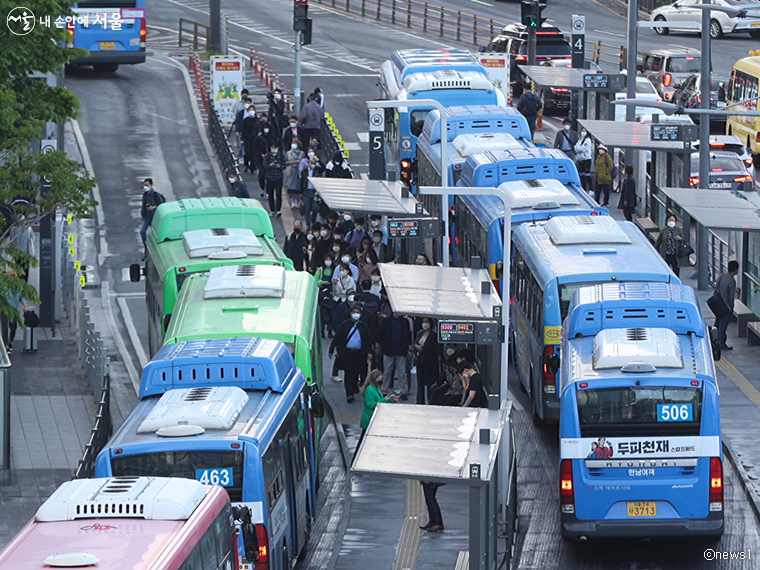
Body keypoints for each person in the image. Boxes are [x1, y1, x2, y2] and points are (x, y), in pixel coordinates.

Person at [330, 304, 373, 403]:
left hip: (360, 354)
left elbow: (367, 340)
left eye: (357, 313)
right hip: (347, 353)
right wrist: (331, 349)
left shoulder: (363, 326)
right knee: (348, 373)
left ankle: (354, 387)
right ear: (350, 313)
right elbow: (337, 337)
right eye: (354, 312)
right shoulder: (345, 325)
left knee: (356, 372)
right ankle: (349, 394)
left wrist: (369, 352)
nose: (355, 314)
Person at [376, 312, 412, 400]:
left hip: (401, 351)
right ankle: (384, 390)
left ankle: (403, 391)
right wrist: (377, 347)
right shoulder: (385, 321)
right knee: (387, 372)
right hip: (388, 350)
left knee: (402, 373)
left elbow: (408, 336)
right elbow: (379, 334)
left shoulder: (405, 322)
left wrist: (409, 349)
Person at [414, 317, 440, 405]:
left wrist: (424, 349)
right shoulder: (420, 333)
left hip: (430, 363)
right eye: (423, 322)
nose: (425, 324)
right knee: (420, 384)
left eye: (427, 322)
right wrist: (416, 348)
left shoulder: (434, 335)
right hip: (420, 362)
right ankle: (420, 401)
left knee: (430, 384)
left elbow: (436, 348)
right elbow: (416, 343)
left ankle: (431, 402)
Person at [714, 260, 739, 350]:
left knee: (717, 323)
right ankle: (721, 344)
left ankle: (714, 340)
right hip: (725, 306)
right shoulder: (731, 281)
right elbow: (730, 296)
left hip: (718, 304)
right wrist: (731, 307)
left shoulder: (722, 276)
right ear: (736, 269)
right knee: (723, 326)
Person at [140, 178, 165, 249]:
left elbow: (162, 205)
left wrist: (153, 207)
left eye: (147, 185)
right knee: (142, 232)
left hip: (154, 218)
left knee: (155, 234)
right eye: (144, 185)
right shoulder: (145, 195)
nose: (145, 187)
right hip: (146, 217)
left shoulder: (156, 195)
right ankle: (146, 247)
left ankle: (156, 248)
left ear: (151, 185)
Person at [253, 122, 277, 197]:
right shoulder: (259, 138)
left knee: (269, 177)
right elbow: (255, 148)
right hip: (261, 160)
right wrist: (260, 154)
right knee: (261, 175)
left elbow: (276, 147)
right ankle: (262, 188)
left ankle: (268, 191)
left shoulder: (273, 137)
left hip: (271, 159)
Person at [263, 141, 286, 217]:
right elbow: (264, 166)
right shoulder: (267, 156)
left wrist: (279, 166)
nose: (273, 149)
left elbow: (284, 165)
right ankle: (272, 210)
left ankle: (278, 210)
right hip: (270, 177)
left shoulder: (281, 156)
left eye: (275, 147)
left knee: (279, 194)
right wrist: (270, 165)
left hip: (278, 177)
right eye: (272, 147)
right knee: (270, 194)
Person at [300, 155, 324, 228]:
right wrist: (301, 192)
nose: (312, 164)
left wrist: (318, 160)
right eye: (311, 162)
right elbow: (301, 181)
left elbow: (323, 168)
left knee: (315, 208)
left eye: (314, 163)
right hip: (307, 191)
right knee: (307, 209)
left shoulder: (317, 169)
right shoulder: (305, 170)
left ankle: (313, 221)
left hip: (315, 191)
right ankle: (308, 224)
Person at [285, 140, 305, 210]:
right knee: (291, 186)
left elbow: (304, 161)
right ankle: (293, 202)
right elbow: (285, 162)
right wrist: (290, 162)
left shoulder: (302, 153)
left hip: (299, 171)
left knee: (299, 186)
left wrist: (298, 162)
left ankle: (297, 202)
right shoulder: (288, 153)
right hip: (291, 171)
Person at [241, 102, 259, 173]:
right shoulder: (246, 120)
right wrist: (242, 139)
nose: (251, 111)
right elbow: (243, 129)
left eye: (252, 110)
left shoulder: (257, 120)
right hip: (247, 138)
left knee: (253, 153)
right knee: (248, 152)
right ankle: (246, 163)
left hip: (255, 139)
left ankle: (252, 167)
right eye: (250, 110)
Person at [574, 128, 593, 192]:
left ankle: (591, 189)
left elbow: (583, 149)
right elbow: (575, 147)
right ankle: (584, 188)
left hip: (586, 159)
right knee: (581, 174)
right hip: (580, 159)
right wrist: (578, 148)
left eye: (584, 131)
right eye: (582, 131)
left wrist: (578, 148)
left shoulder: (588, 140)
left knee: (587, 175)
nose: (583, 132)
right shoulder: (580, 139)